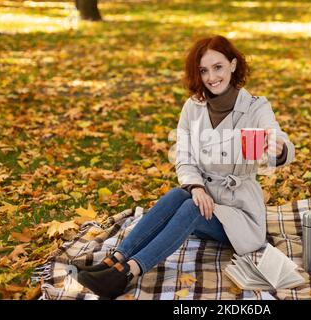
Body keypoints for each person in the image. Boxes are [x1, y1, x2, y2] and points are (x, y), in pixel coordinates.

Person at [75, 35, 295, 299]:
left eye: (218, 67)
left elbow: (275, 134)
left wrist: (278, 148)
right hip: (206, 199)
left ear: (233, 65)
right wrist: (196, 186)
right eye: (204, 70)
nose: (212, 77)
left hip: (239, 214)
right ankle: (114, 261)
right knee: (180, 195)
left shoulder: (255, 107)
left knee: (192, 206)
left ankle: (130, 272)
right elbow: (184, 156)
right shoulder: (193, 108)